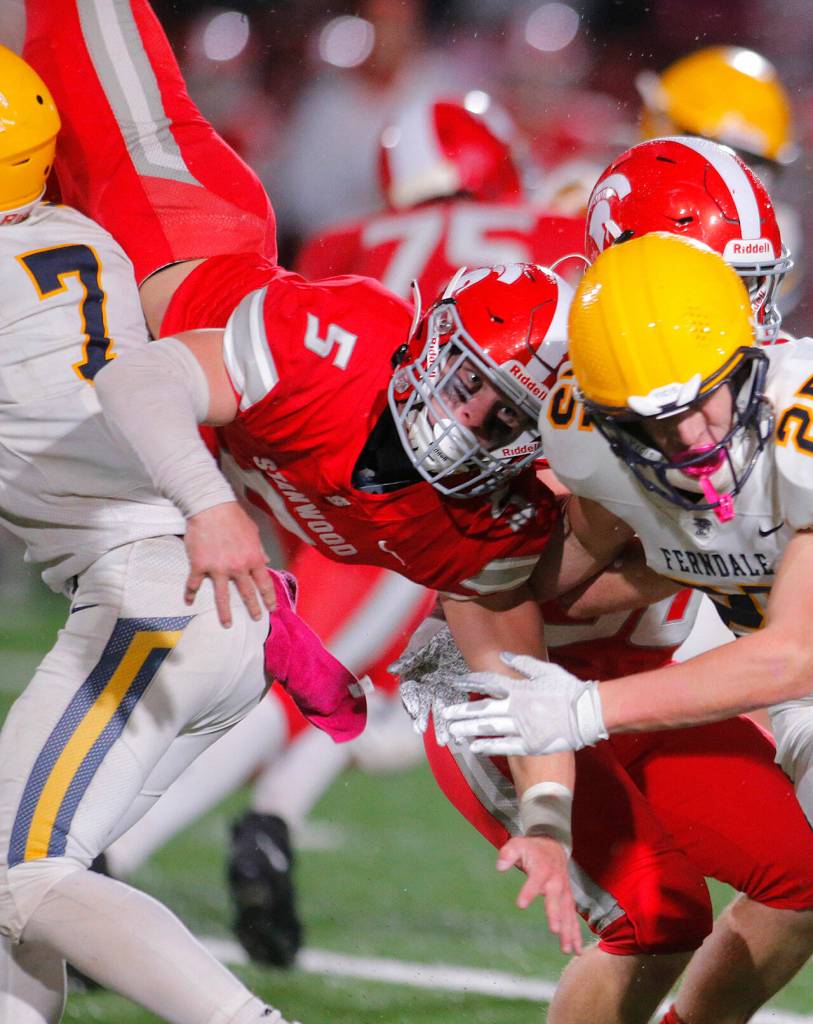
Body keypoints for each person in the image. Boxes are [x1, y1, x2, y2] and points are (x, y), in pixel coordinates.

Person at [21, 8, 813, 1024]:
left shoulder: (766, 394)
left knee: (792, 880)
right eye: (716, 286)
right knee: (655, 915)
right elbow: (489, 589)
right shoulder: (538, 399)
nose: (740, 322)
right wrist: (549, 772)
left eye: (751, 291)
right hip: (526, 672)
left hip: (631, 664)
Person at [0, 43, 314, 1024]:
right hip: (218, 608)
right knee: (23, 892)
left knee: (20, 873)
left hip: (150, 596)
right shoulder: (89, 241)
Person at [442, 232, 813, 833]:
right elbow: (555, 576)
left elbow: (794, 656)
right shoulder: (591, 446)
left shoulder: (802, 420)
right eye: (654, 423)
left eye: (704, 399)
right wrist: (457, 556)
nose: (690, 436)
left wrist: (587, 709)